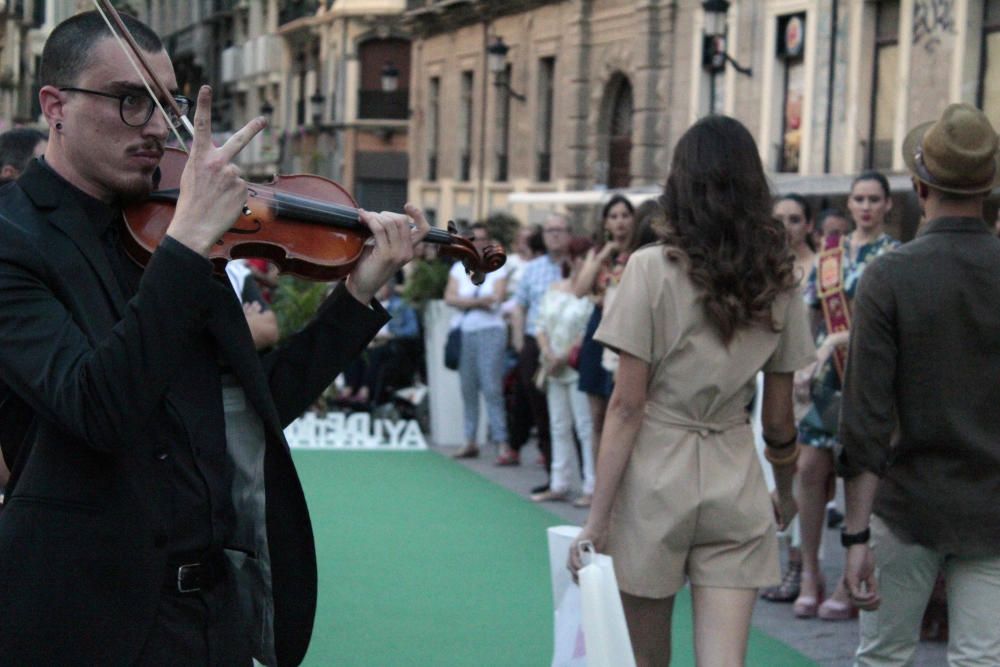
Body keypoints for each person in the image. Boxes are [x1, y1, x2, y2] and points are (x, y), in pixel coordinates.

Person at [0, 11, 428, 666]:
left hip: (210, 620)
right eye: (128, 100)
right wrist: (188, 245)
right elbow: (96, 406)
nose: (152, 126)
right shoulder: (16, 238)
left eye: (165, 104)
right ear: (55, 106)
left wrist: (357, 295)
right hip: (83, 625)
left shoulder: (169, 230)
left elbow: (253, 410)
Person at [569, 116, 815, 666]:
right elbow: (778, 419)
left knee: (647, 661)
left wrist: (597, 516)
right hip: (735, 475)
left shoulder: (649, 268)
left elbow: (627, 405)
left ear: (681, 182)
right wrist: (786, 489)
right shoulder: (778, 278)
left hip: (656, 475)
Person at [839, 103, 1000, 666]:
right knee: (981, 660)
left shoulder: (890, 274)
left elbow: (865, 416)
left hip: (907, 503)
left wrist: (855, 536)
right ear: (988, 187)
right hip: (992, 506)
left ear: (917, 186)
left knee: (883, 656)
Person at [793, 171, 899, 621]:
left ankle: (845, 579)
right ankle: (809, 573)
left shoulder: (895, 256)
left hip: (869, 376)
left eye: (875, 199)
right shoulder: (829, 256)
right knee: (809, 468)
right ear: (850, 204)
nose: (866, 206)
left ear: (888, 205)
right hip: (827, 379)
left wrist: (834, 344)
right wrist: (802, 360)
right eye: (859, 198)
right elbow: (813, 318)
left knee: (857, 474)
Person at [759, 192, 814, 604]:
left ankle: (804, 564)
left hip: (814, 381)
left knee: (809, 475)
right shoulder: (760, 270)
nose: (786, 227)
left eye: (795, 219)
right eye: (779, 219)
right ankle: (772, 560)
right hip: (772, 378)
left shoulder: (823, 269)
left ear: (807, 225)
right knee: (770, 469)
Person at [571, 195, 638, 504]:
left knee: (623, 408)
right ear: (606, 222)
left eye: (625, 215)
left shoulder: (640, 255)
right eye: (614, 216)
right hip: (598, 330)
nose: (620, 221)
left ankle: (622, 486)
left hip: (627, 331)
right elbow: (580, 289)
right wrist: (604, 254)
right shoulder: (599, 253)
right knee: (597, 414)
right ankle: (598, 486)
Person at [532, 236, 595, 503]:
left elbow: (587, 330)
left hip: (576, 366)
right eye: (578, 256)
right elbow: (540, 324)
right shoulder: (554, 288)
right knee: (558, 425)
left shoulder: (592, 294)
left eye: (586, 257)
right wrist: (548, 353)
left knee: (585, 426)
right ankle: (559, 482)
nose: (580, 262)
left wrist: (566, 355)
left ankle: (591, 486)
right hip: (553, 366)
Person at [506, 213, 570, 469]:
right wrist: (520, 342)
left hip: (566, 342)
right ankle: (549, 459)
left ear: (569, 234)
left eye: (559, 230)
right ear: (543, 237)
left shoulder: (575, 266)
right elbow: (519, 307)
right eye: (549, 231)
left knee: (571, 410)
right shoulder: (532, 269)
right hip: (535, 341)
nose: (554, 235)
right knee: (538, 403)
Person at [444, 222, 510, 459]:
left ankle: (502, 443)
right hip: (466, 333)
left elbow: (497, 298)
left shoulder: (498, 268)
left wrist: (467, 301)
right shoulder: (458, 269)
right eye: (474, 239)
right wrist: (478, 301)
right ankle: (469, 440)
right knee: (467, 388)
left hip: (491, 331)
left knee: (491, 387)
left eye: (482, 239)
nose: (478, 243)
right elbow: (449, 297)